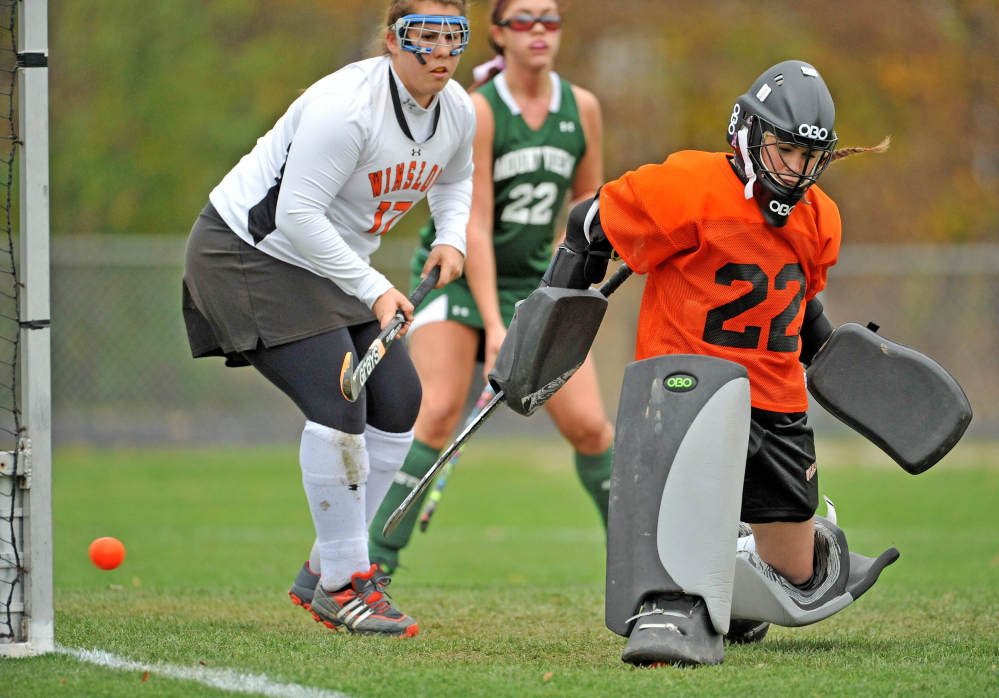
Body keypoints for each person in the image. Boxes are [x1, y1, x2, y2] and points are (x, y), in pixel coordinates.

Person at [539, 60, 889, 661]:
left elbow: (796, 299)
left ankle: (736, 579)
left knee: (798, 575)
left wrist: (830, 350)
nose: (798, 170)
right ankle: (678, 598)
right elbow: (588, 222)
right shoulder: (686, 186)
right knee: (678, 548)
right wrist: (552, 315)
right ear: (748, 134)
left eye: (811, 157)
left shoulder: (820, 218)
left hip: (776, 403)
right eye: (785, 151)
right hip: (687, 392)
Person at [182, 0, 476, 638]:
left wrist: (451, 236)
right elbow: (295, 216)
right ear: (393, 42)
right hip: (248, 254)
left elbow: (455, 179)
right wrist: (374, 288)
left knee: (399, 401)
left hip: (330, 265)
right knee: (339, 402)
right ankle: (347, 584)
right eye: (424, 36)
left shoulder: (457, 110)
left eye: (454, 35)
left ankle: (327, 566)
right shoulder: (347, 108)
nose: (441, 51)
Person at [365, 0, 616, 576]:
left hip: (537, 286)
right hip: (457, 279)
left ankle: (640, 555)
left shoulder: (583, 108)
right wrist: (497, 326)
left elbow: (586, 209)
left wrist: (569, 284)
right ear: (499, 34)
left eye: (548, 20)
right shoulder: (479, 110)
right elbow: (472, 222)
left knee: (588, 426)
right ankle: (369, 566)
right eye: (523, 20)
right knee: (435, 412)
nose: (538, 32)